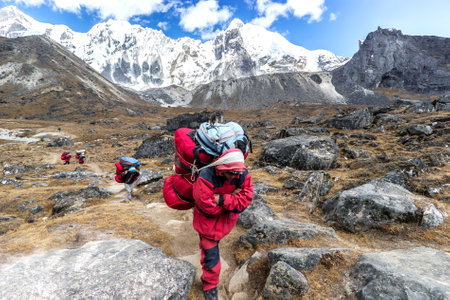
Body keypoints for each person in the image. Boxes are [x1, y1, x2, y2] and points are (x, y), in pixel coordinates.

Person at [192, 149, 253, 300]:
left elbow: (246, 199)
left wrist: (221, 199)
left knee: (213, 251)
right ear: (221, 168)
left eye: (238, 173)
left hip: (224, 225)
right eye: (232, 173)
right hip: (206, 227)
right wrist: (233, 199)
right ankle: (210, 288)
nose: (236, 176)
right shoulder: (205, 177)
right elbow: (207, 207)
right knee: (211, 259)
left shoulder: (242, 174)